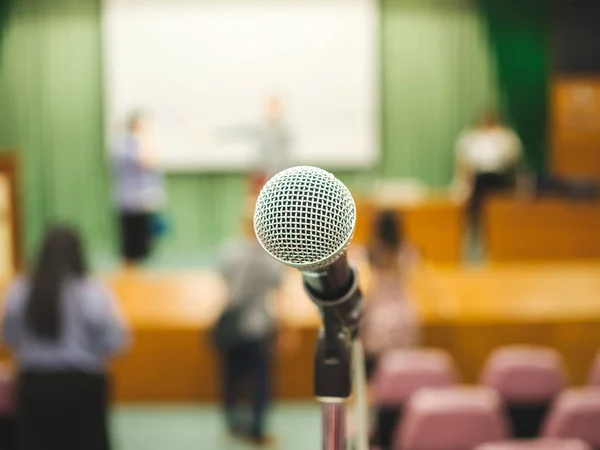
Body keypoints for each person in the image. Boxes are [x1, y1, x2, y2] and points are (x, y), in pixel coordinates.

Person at [2, 225, 129, 450]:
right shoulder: (92, 292)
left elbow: (9, 336)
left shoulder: (20, 291)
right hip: (82, 386)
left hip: (34, 385)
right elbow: (117, 341)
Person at [212, 200, 285, 446]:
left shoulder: (228, 251)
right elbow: (278, 291)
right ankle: (257, 430)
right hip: (257, 326)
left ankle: (232, 423)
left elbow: (223, 283)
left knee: (230, 377)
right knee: (260, 382)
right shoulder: (271, 256)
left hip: (232, 324)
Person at [360, 210, 420, 449]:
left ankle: (375, 432)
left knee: (373, 383)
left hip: (376, 324)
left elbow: (365, 289)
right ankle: (397, 433)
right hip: (403, 324)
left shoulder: (367, 254)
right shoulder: (408, 252)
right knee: (401, 383)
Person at [111, 111, 166, 267]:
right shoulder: (123, 144)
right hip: (129, 200)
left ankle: (141, 269)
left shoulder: (144, 142)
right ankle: (129, 269)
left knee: (145, 240)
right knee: (130, 240)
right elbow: (145, 162)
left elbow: (154, 166)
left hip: (145, 198)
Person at [454, 110, 523, 226]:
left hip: (501, 176)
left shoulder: (505, 136)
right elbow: (464, 163)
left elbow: (515, 159)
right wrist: (464, 182)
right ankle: (475, 224)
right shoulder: (471, 138)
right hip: (478, 178)